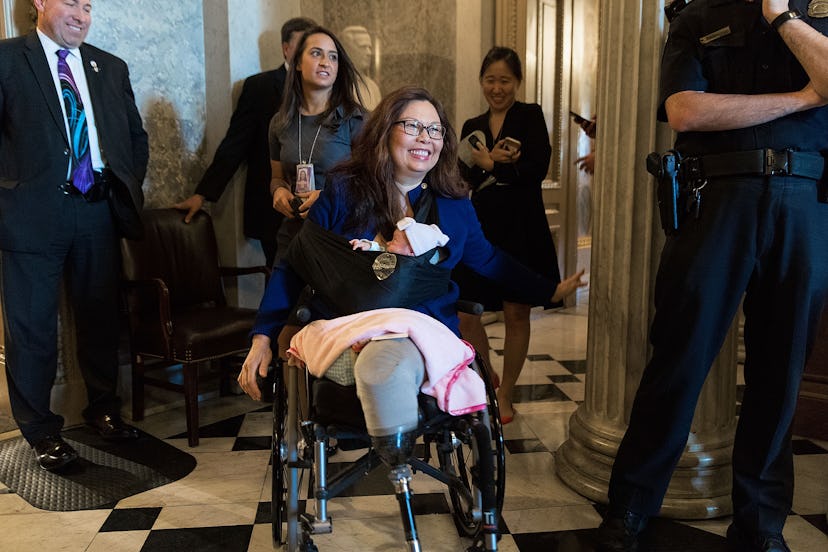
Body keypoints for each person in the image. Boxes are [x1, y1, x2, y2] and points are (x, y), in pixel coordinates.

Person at [237, 85, 585, 467]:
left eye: (435, 130)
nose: (426, 138)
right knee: (349, 356)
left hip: (421, 330)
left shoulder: (454, 206)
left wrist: (550, 289)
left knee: (384, 363)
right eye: (413, 126)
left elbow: (491, 262)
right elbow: (295, 264)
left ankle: (394, 452)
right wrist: (262, 338)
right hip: (348, 325)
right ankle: (392, 441)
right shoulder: (342, 191)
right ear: (385, 132)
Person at [596, 2, 828, 551]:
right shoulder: (696, 15)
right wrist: (804, 99)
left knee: (780, 374)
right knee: (678, 361)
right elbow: (685, 112)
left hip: (805, 204)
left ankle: (760, 525)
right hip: (715, 200)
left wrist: (781, 17)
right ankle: (630, 508)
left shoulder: (817, 10)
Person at [0, 0, 148, 471]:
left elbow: (135, 137)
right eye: (71, 2)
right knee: (32, 329)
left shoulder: (110, 66)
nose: (81, 15)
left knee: (100, 318)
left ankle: (103, 408)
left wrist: (123, 184)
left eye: (88, 6)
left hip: (96, 209)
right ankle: (42, 431)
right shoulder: (6, 59)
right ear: (40, 3)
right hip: (30, 216)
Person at [454, 46, 562, 424]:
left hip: (522, 225)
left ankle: (506, 392)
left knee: (517, 312)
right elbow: (462, 177)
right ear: (481, 82)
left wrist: (493, 167)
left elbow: (537, 169)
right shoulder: (472, 125)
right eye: (490, 80)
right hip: (480, 227)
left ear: (517, 82)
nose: (496, 88)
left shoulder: (530, 116)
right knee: (467, 314)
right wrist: (487, 165)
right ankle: (486, 378)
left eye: (504, 80)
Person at [174, 17, 315, 267]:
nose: (311, 54)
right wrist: (203, 194)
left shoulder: (328, 90)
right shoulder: (260, 87)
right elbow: (235, 144)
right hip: (274, 209)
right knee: (282, 284)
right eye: (303, 45)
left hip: (318, 210)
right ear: (286, 48)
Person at [268, 26, 366, 262]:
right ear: (298, 63)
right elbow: (277, 177)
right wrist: (279, 191)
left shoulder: (355, 119)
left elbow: (372, 183)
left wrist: (328, 197)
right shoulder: (280, 122)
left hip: (340, 235)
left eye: (333, 57)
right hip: (293, 234)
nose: (325, 62)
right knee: (278, 299)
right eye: (316, 53)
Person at [349, 216, 450, 260]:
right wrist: (367, 245)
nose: (388, 243)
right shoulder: (390, 254)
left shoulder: (414, 269)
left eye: (395, 241)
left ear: (412, 251)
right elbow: (379, 250)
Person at [339, 25, 382, 110]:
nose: (369, 53)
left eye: (370, 48)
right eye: (363, 47)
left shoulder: (373, 88)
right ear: (348, 51)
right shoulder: (337, 86)